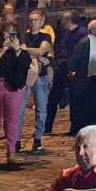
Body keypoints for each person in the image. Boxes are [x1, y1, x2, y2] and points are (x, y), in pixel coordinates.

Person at [0, 23, 33, 169]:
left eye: (13, 32)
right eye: (6, 32)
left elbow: (25, 64)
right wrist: (3, 49)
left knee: (12, 121)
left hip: (13, 88)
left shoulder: (21, 48)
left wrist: (17, 50)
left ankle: (11, 153)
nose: (9, 35)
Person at [62, 17, 96, 134]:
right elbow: (73, 61)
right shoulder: (85, 42)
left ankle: (93, 127)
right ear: (93, 30)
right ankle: (79, 129)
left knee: (94, 105)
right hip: (84, 80)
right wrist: (73, 71)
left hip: (95, 80)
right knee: (82, 105)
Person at [21, 9, 56, 152]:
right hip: (24, 75)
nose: (33, 22)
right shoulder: (23, 35)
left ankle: (37, 138)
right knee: (20, 108)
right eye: (31, 20)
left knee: (41, 109)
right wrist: (35, 55)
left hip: (41, 76)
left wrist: (24, 50)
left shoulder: (45, 36)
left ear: (42, 21)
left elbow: (41, 51)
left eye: (36, 20)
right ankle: (17, 139)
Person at [46, 10, 84, 134]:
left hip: (73, 69)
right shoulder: (66, 32)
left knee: (74, 99)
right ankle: (47, 127)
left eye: (63, 19)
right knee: (53, 98)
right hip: (62, 68)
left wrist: (76, 69)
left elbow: (80, 53)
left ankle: (75, 128)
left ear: (69, 20)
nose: (61, 21)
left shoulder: (81, 33)